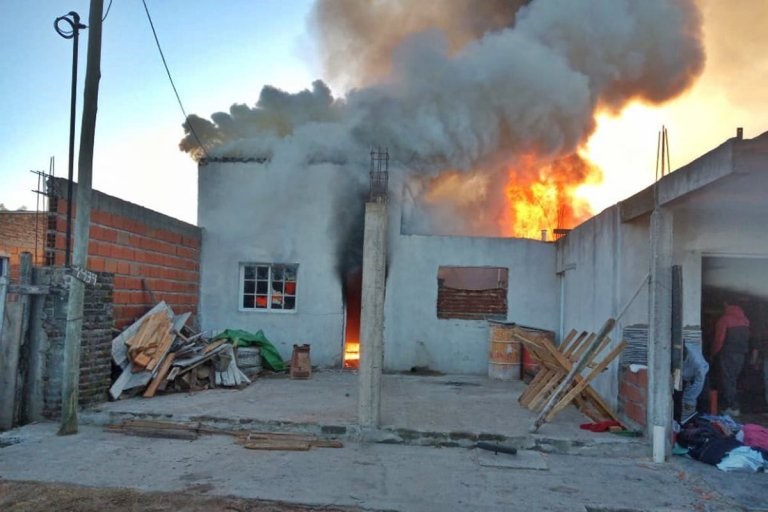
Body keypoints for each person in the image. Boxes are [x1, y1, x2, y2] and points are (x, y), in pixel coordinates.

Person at [712, 300, 750, 416]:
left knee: (727, 380)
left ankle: (732, 407)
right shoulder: (745, 321)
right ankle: (733, 405)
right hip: (741, 355)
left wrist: (713, 353)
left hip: (728, 354)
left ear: (726, 305)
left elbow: (719, 339)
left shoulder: (724, 320)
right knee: (733, 380)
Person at [682, 344, 709, 418]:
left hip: (698, 377)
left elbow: (699, 382)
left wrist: (689, 399)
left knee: (700, 402)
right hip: (683, 376)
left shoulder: (697, 362)